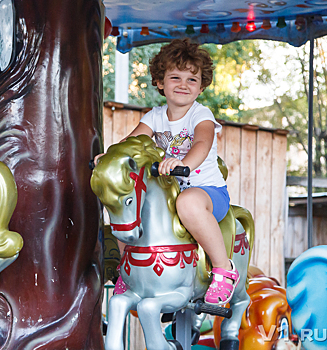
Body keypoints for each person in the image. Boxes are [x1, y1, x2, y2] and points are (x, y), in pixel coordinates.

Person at [95, 38, 238, 305]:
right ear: (160, 82)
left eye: (192, 80)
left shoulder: (200, 115)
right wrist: (112, 156)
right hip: (170, 196)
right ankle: (129, 266)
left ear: (201, 87)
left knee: (189, 202)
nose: (183, 85)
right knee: (130, 206)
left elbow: (202, 144)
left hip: (206, 193)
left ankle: (223, 269)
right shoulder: (154, 117)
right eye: (175, 77)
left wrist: (184, 163)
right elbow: (131, 144)